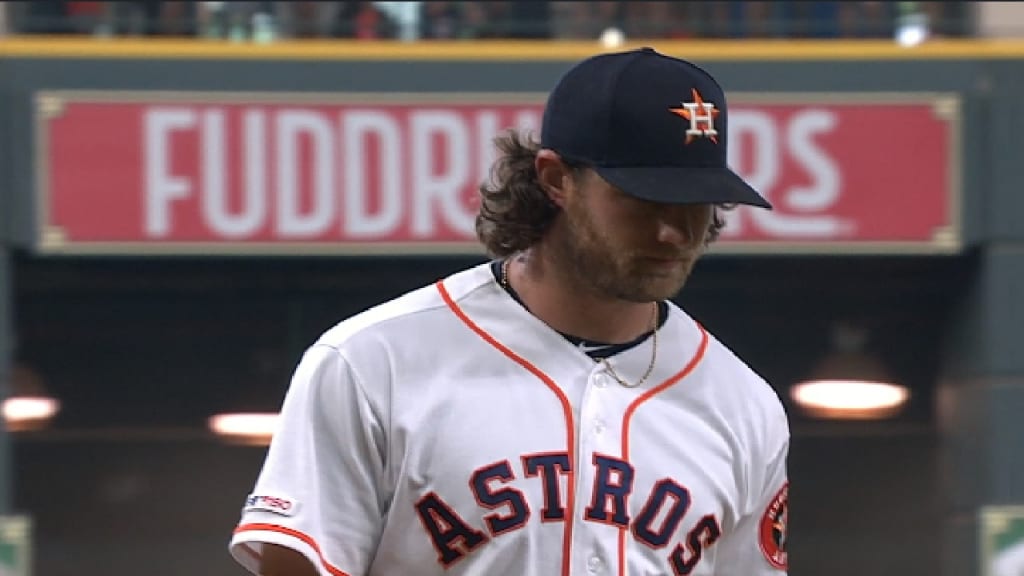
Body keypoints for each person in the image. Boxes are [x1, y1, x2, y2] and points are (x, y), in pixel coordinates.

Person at [228, 46, 790, 576]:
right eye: (641, 200)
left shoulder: (744, 405)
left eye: (695, 204)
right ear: (555, 179)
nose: (672, 231)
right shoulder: (372, 363)